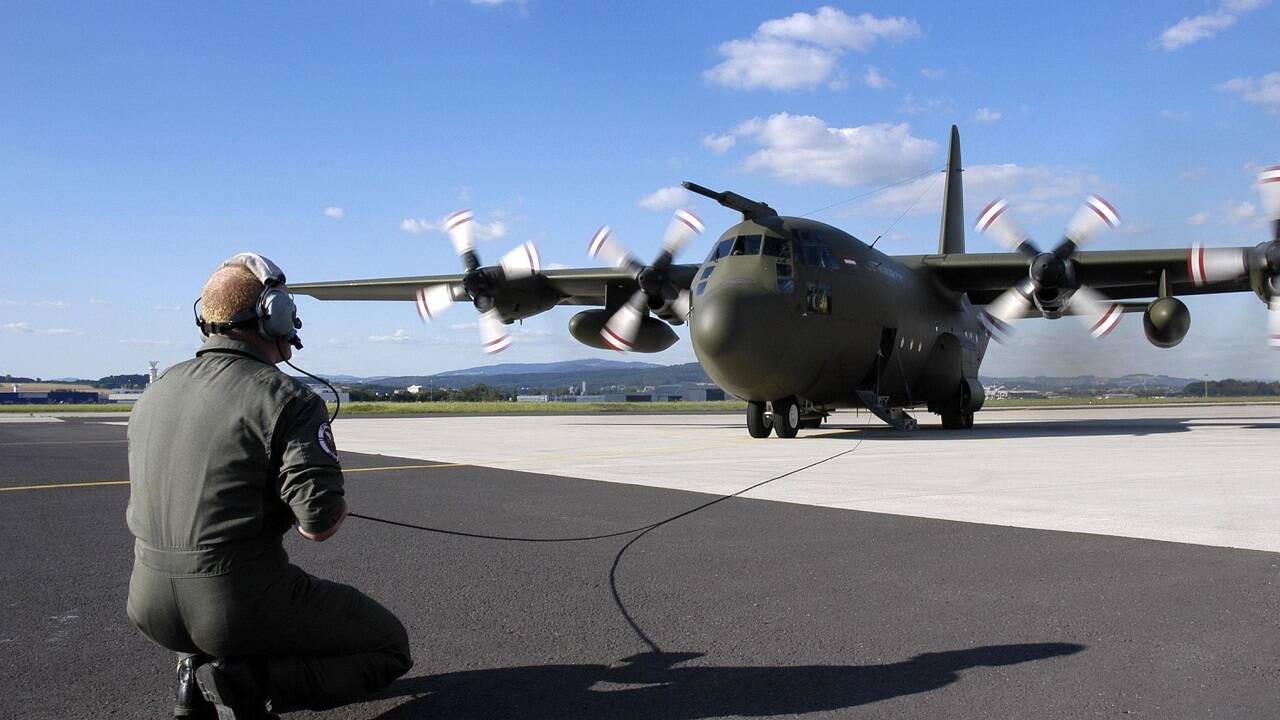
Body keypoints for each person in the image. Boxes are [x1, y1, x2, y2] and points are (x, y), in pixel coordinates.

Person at [126, 253, 412, 719]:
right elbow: (317, 525)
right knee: (389, 644)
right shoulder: (289, 398)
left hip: (148, 604)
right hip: (233, 603)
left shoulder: (155, 393)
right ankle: (244, 683)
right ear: (272, 313)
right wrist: (328, 504)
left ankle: (193, 670)